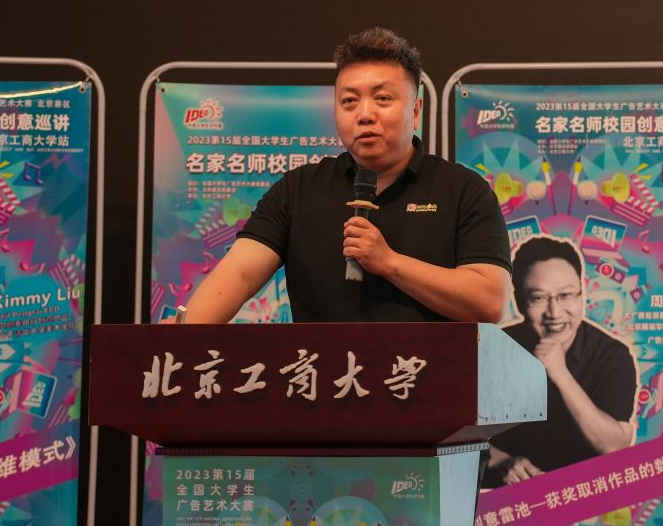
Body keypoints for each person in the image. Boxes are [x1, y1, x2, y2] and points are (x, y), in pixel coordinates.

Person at [178, 27, 511, 324]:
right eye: (349, 101)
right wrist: (180, 334)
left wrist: (389, 263)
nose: (364, 114)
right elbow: (239, 273)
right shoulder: (298, 190)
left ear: (415, 110)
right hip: (321, 371)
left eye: (382, 98)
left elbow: (488, 302)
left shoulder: (463, 191)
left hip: (428, 372)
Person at [485, 237, 638, 487]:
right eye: (538, 298)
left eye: (566, 295)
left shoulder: (612, 355)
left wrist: (560, 373)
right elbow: (453, 433)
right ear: (520, 301)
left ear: (582, 294)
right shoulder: (493, 349)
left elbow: (614, 446)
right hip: (507, 497)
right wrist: (500, 461)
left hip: (586, 496)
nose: (554, 313)